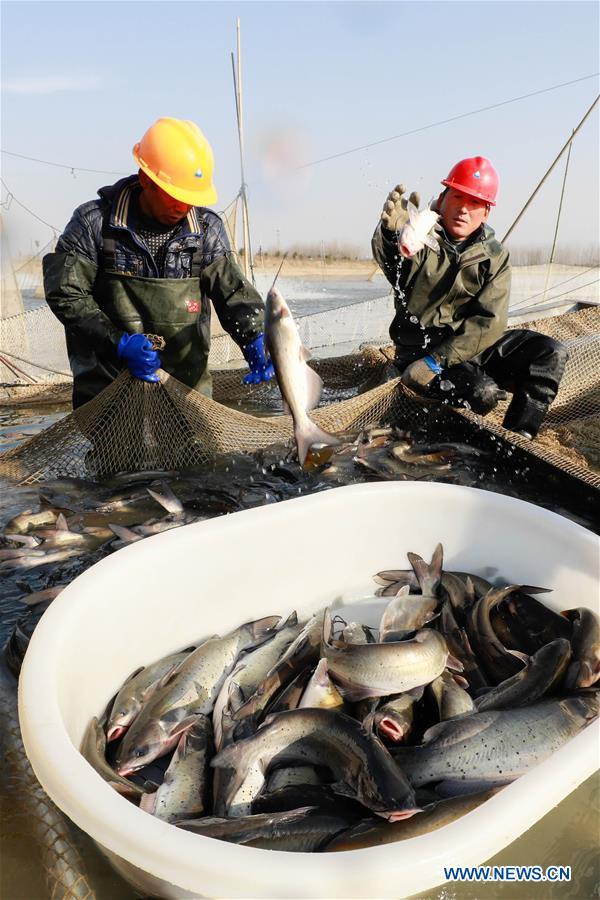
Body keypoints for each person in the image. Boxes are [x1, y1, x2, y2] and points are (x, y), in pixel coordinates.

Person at [43, 117, 274, 409]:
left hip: (186, 397)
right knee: (115, 454)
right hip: (109, 392)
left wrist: (254, 336)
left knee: (198, 453)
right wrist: (119, 343)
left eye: (191, 198)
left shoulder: (206, 230)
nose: (183, 206)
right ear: (145, 180)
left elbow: (233, 296)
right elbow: (66, 294)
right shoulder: (94, 224)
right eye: (176, 196)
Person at [372, 156, 568, 438]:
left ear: (486, 213)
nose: (464, 209)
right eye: (458, 197)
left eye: (475, 202)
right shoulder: (422, 238)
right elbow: (394, 266)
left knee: (551, 352)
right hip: (422, 349)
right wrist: (390, 236)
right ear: (441, 199)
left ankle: (518, 440)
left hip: (465, 348)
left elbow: (489, 322)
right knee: (482, 393)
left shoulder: (495, 255)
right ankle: (443, 432)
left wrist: (438, 361)